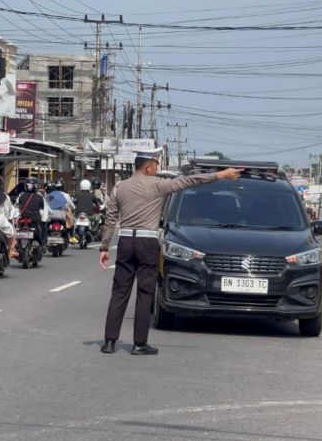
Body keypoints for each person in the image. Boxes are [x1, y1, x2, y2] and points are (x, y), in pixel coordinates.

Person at [98, 148, 242, 355]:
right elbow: (190, 181)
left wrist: (104, 247)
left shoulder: (119, 187)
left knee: (120, 291)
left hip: (126, 241)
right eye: (156, 165)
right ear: (148, 166)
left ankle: (109, 341)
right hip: (147, 242)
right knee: (145, 292)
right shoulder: (159, 186)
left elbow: (110, 219)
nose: (157, 169)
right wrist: (220, 175)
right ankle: (139, 344)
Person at [16, 177, 46, 246]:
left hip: (23, 218)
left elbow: (18, 207)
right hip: (35, 219)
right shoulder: (40, 197)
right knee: (43, 228)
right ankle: (42, 244)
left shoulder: (21, 196)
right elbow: (42, 209)